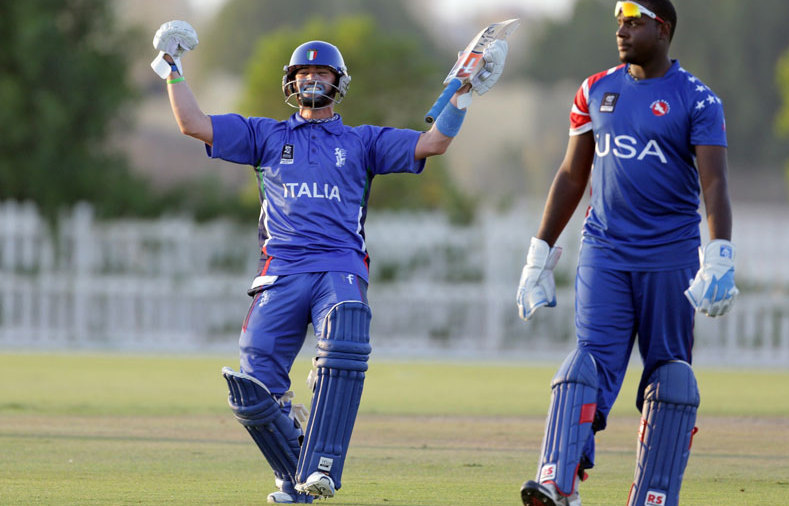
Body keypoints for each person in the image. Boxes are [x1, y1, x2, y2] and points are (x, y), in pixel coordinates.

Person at [150, 20, 508, 504]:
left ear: (339, 83)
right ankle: (293, 477)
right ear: (290, 82)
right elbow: (193, 125)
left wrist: (463, 92)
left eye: (322, 72)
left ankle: (321, 464)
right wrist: (171, 68)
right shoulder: (264, 135)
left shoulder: (363, 141)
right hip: (281, 269)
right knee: (254, 383)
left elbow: (432, 143)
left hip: (339, 266)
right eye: (303, 73)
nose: (312, 80)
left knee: (343, 338)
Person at [514, 1, 738, 505]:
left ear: (662, 30)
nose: (622, 31)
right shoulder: (595, 89)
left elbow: (715, 182)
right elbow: (573, 175)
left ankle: (654, 495)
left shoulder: (699, 100)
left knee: (672, 377)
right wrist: (539, 253)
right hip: (605, 252)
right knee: (585, 365)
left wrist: (720, 252)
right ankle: (557, 479)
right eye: (619, 22)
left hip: (670, 257)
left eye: (633, 23)